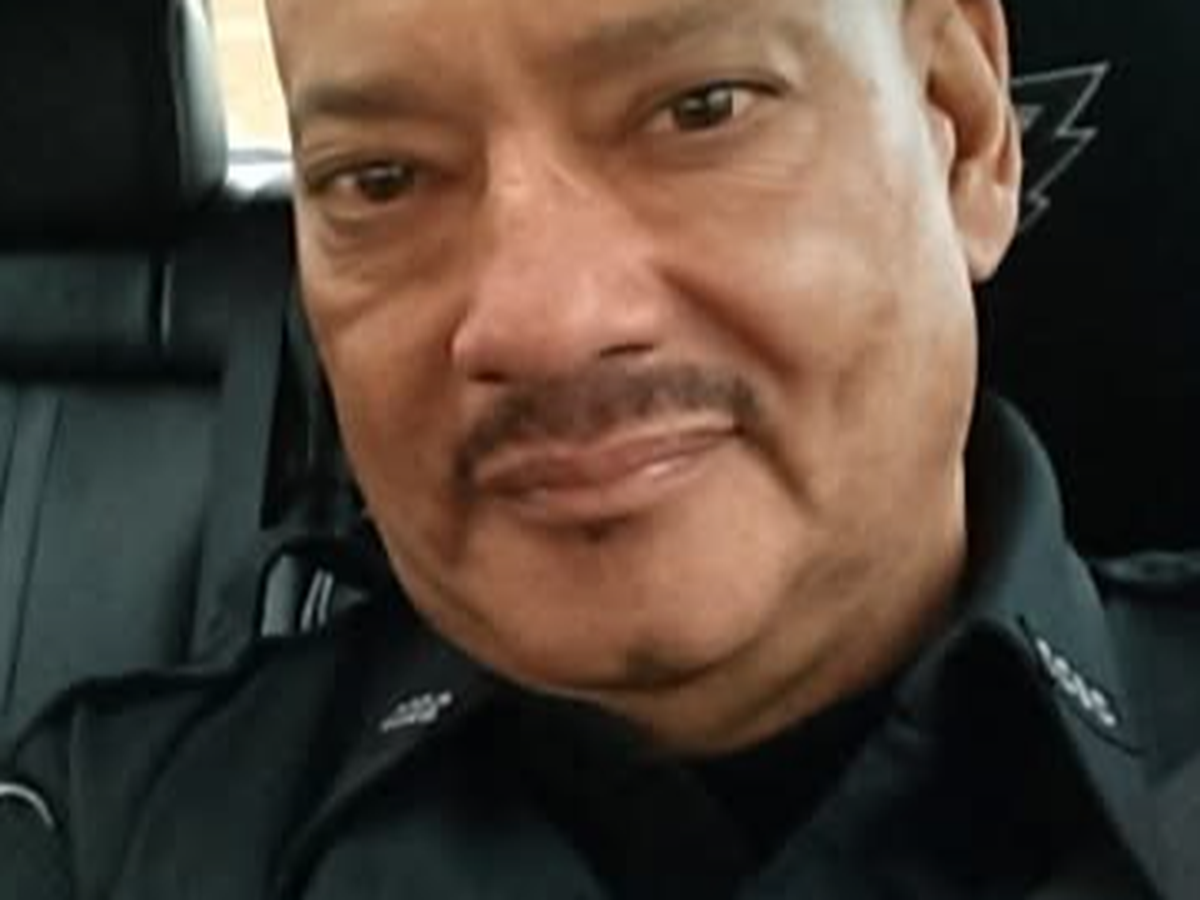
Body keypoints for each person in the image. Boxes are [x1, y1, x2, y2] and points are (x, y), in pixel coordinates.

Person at [3, 0, 1198, 896]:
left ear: (963, 131)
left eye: (702, 109)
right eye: (381, 178)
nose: (542, 321)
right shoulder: (109, 828)